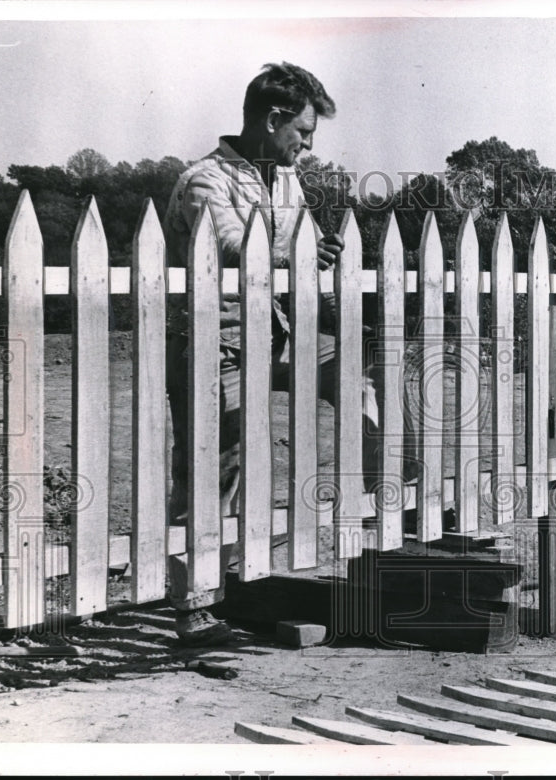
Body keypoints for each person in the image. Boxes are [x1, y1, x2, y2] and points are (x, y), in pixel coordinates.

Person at [163, 62, 380, 646]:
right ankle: (193, 607)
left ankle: (397, 504)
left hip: (275, 333)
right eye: (302, 133)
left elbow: (301, 243)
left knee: (356, 380)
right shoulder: (203, 179)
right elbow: (234, 246)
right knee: (215, 469)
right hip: (215, 343)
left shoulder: (286, 181)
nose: (307, 146)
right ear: (272, 119)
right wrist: (297, 249)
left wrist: (318, 250)